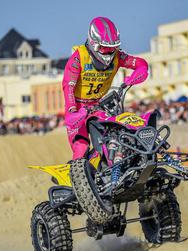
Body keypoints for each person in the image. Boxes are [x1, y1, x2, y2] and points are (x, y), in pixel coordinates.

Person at [62, 17, 148, 160]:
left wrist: (132, 79)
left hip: (99, 105)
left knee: (111, 137)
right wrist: (72, 111)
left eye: (112, 48)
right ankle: (77, 175)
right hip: (77, 106)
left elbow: (141, 64)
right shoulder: (78, 58)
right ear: (93, 43)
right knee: (81, 147)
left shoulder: (118, 56)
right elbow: (68, 86)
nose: (109, 53)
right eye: (105, 48)